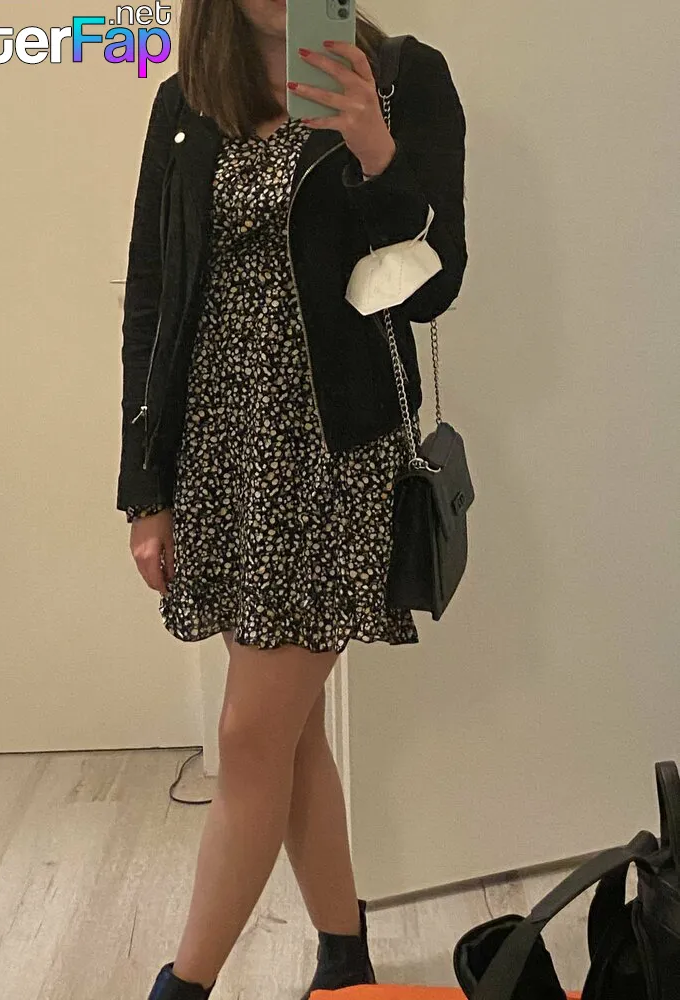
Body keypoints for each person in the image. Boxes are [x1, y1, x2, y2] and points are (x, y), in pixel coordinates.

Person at [117, 2, 468, 997]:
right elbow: (152, 299)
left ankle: (184, 985)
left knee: (246, 736)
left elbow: (436, 286)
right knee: (291, 729)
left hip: (333, 455)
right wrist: (145, 487)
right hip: (220, 455)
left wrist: (374, 150)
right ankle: (345, 958)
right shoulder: (188, 103)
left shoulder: (404, 77)